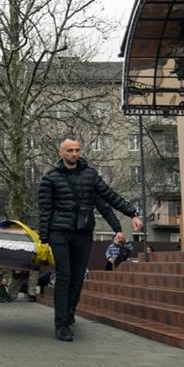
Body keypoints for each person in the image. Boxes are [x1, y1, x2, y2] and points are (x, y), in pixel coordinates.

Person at [38, 138, 142, 342]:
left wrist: (132, 214)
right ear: (61, 152)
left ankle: (69, 314)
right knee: (64, 276)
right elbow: (45, 209)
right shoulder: (50, 178)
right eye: (70, 150)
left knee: (77, 278)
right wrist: (44, 237)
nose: (74, 154)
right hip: (59, 232)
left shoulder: (90, 175)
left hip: (83, 232)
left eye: (77, 150)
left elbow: (109, 197)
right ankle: (61, 325)